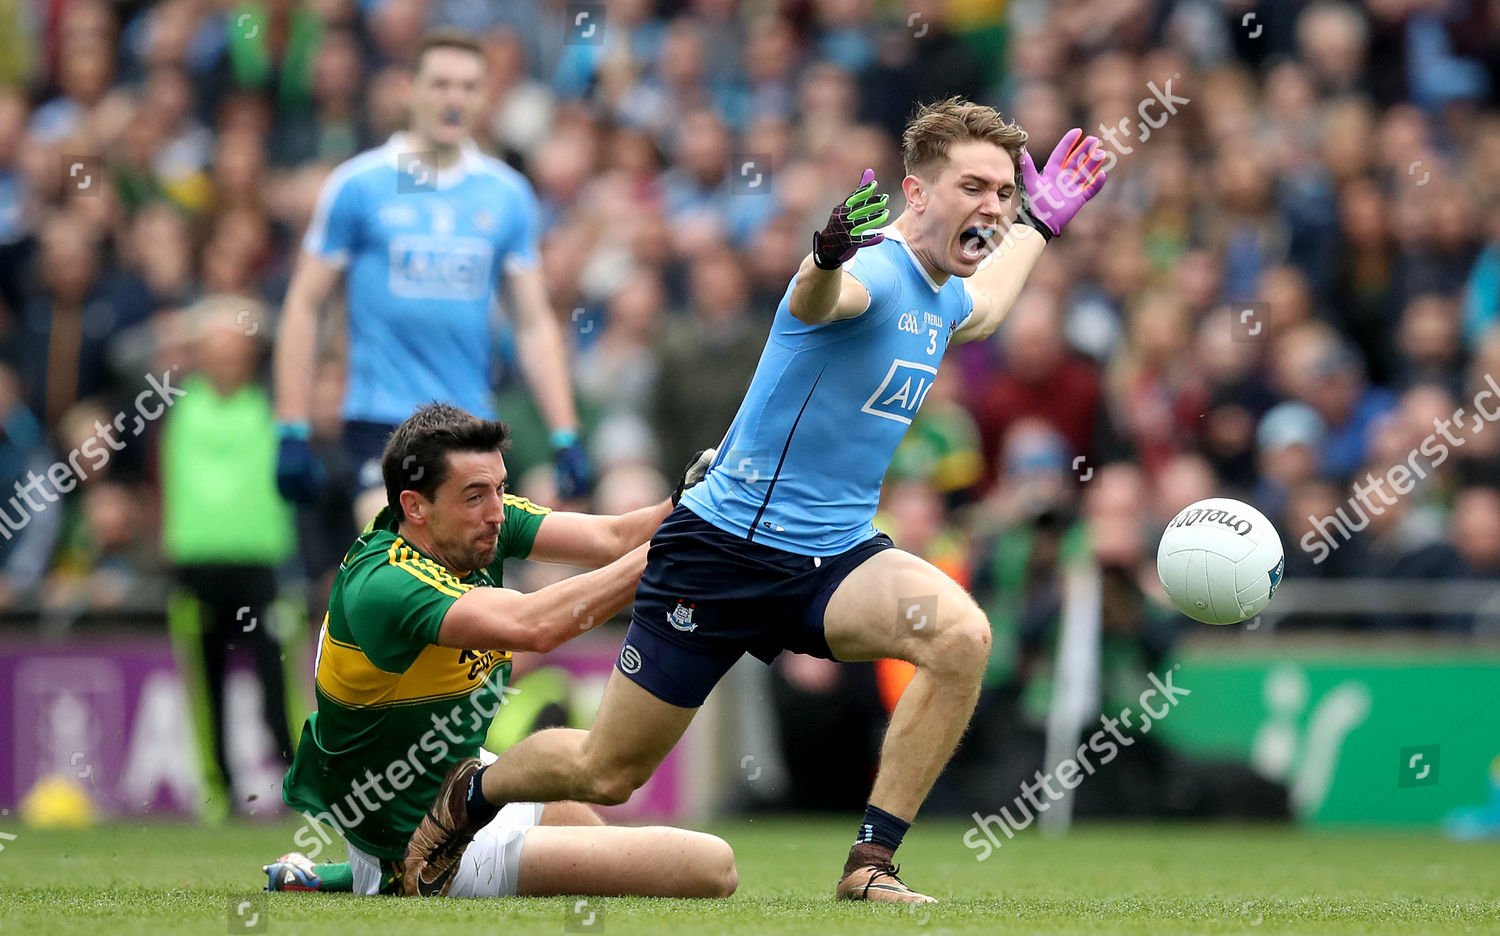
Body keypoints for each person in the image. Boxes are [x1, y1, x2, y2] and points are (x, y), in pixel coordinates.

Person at [402, 98, 1107, 903]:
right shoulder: (872, 271)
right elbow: (817, 299)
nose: (993, 205)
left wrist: (1038, 230)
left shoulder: (945, 292)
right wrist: (825, 256)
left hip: (831, 559)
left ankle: (870, 866)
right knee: (607, 771)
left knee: (960, 638)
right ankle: (470, 796)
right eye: (974, 187)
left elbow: (982, 313)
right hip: (720, 551)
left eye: (1006, 193)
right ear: (916, 193)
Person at [279, 402, 730, 899]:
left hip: (456, 789)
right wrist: (683, 544)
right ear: (415, 506)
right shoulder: (385, 583)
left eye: (500, 488)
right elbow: (534, 625)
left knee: (589, 836)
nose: (497, 512)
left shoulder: (471, 525)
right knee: (712, 867)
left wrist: (691, 499)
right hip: (418, 846)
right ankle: (374, 878)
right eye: (475, 496)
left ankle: (337, 878)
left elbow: (615, 535)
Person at [273, 29, 589, 525]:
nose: (453, 99)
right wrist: (291, 426)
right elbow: (304, 304)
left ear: (485, 97)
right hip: (381, 420)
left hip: (469, 427)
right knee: (394, 549)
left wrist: (565, 433)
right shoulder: (361, 184)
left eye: (468, 87)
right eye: (440, 84)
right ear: (409, 89)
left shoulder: (505, 194)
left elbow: (532, 322)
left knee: (466, 577)